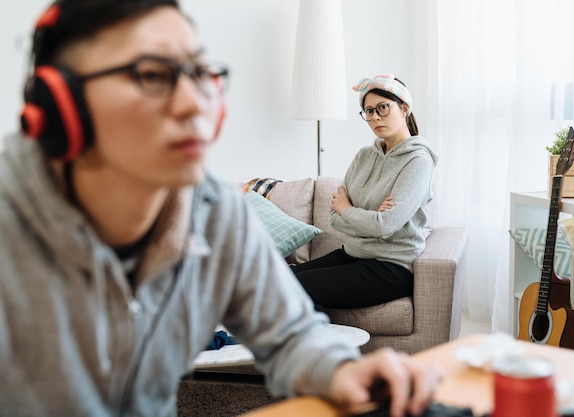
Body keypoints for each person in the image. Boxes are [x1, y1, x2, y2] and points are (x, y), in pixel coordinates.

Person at [0, 2, 441, 417]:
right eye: (154, 76)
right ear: (60, 107)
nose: (196, 102)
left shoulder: (213, 209)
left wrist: (341, 370)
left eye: (199, 72)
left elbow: (289, 331)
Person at [292, 74, 437, 312]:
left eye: (382, 108)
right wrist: (370, 219)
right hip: (351, 255)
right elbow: (333, 217)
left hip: (390, 267)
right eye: (368, 111)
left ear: (404, 109)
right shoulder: (363, 156)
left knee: (297, 287)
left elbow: (384, 225)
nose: (375, 117)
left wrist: (348, 209)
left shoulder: (418, 161)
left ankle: (320, 346)